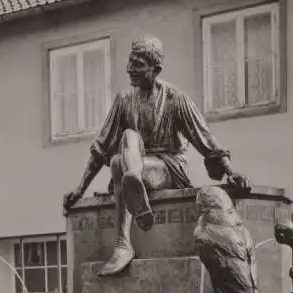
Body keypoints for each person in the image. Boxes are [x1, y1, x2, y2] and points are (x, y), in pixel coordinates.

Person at [63, 35, 251, 276]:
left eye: (138, 64)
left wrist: (230, 171)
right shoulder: (124, 100)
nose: (130, 69)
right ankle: (133, 181)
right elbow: (100, 147)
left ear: (156, 69)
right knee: (125, 144)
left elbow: (205, 139)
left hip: (167, 167)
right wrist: (79, 189)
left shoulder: (175, 98)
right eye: (130, 62)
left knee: (119, 162)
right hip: (134, 162)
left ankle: (123, 242)